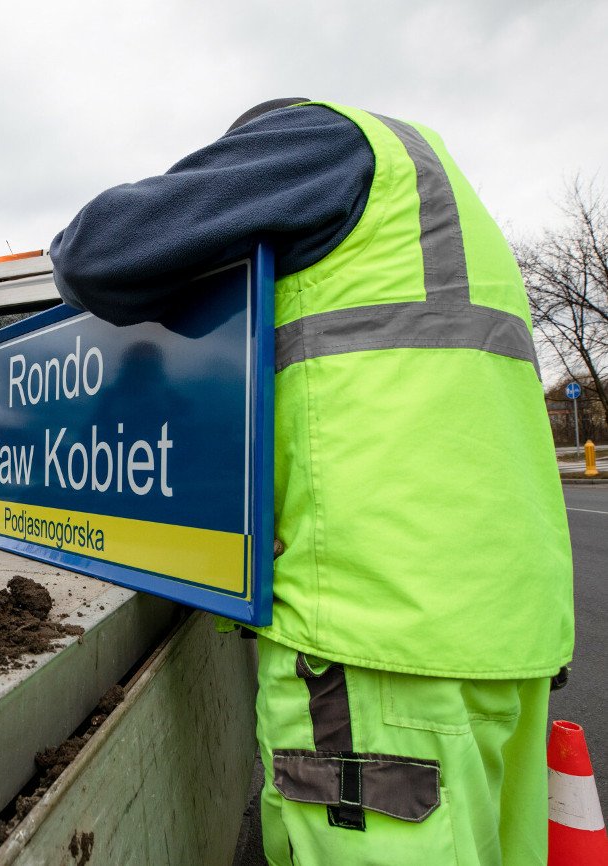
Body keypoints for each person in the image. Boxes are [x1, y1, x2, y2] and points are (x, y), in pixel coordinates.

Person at [50, 100, 573, 864]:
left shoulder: (319, 144)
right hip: (508, 635)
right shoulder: (435, 206)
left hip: (377, 649)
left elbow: (96, 251)